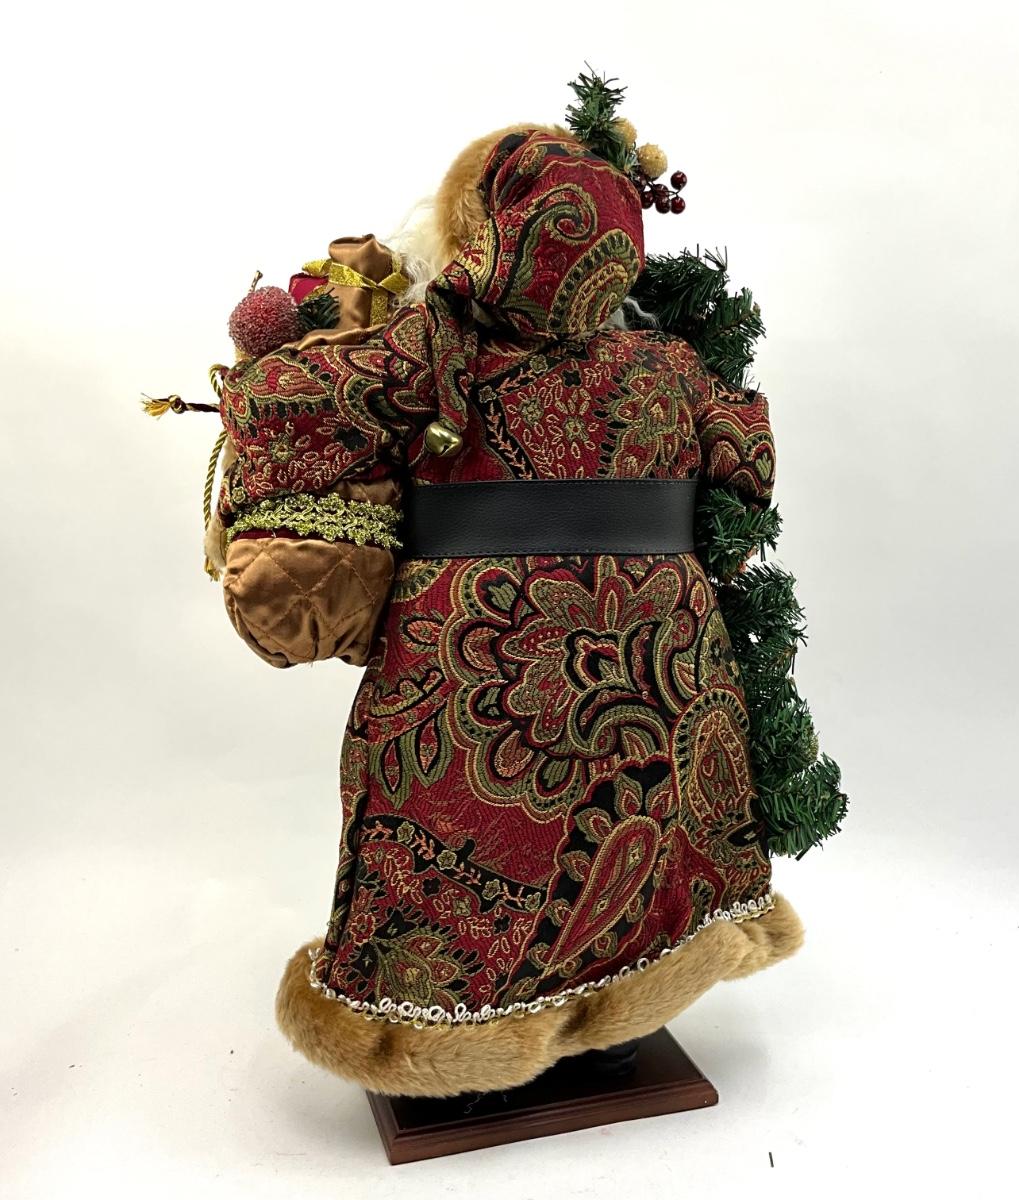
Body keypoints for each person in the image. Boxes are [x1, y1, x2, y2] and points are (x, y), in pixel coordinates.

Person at [213, 127, 803, 1098]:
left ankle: (456, 1045)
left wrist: (277, 340)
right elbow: (745, 471)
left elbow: (285, 404)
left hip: (476, 649)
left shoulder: (434, 345)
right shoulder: (669, 363)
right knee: (645, 814)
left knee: (466, 830)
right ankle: (618, 1018)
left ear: (478, 228)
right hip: (668, 649)